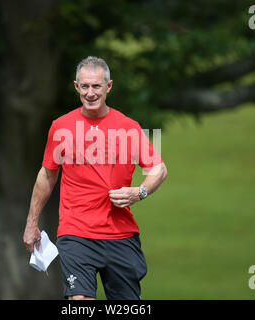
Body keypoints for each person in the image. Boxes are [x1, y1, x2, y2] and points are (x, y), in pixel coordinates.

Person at [23, 56, 167, 300]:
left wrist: (139, 192)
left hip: (121, 234)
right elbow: (47, 175)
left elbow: (158, 169)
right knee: (80, 302)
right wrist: (31, 223)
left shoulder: (128, 127)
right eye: (85, 86)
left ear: (108, 87)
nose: (90, 93)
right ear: (77, 87)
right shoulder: (61, 127)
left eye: (97, 86)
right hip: (76, 232)